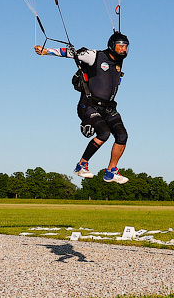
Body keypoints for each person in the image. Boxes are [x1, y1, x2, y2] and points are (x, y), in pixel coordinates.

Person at [35, 31, 130, 184]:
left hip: (108, 108)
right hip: (89, 106)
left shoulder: (119, 61)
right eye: (121, 46)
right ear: (112, 46)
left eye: (126, 46)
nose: (124, 49)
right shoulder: (95, 55)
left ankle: (111, 171)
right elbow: (71, 53)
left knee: (122, 136)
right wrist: (46, 51)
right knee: (104, 133)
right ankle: (81, 165)